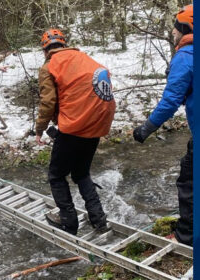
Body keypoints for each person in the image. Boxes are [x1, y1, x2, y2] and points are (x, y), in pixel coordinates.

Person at [35, 29, 116, 235]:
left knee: (56, 175)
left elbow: (48, 102)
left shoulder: (49, 66)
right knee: (81, 173)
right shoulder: (84, 58)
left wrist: (40, 129)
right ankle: (99, 220)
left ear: (46, 50)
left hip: (74, 126)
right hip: (96, 124)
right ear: (64, 44)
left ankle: (68, 222)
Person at [133, 4, 193, 246]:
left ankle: (185, 237)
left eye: (176, 28)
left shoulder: (186, 55)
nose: (173, 32)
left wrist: (146, 128)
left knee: (188, 182)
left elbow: (170, 101)